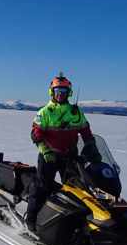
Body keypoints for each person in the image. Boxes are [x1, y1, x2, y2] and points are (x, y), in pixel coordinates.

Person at [26, 73, 101, 232]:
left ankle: (75, 221)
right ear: (52, 92)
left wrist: (91, 146)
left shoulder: (76, 112)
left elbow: (86, 131)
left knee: (76, 188)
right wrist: (45, 150)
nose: (61, 94)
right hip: (49, 156)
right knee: (42, 187)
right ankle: (32, 219)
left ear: (69, 93)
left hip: (70, 156)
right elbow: (36, 134)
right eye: (58, 90)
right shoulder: (45, 112)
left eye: (64, 91)